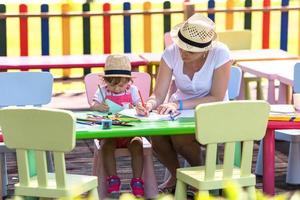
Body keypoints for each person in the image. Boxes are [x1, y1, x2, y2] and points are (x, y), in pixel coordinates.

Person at [136, 13, 232, 192]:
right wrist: (149, 104)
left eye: (189, 50)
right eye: (181, 47)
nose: (182, 53)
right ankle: (180, 175)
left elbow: (216, 97)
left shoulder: (221, 53)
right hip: (178, 111)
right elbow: (158, 94)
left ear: (206, 50)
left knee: (179, 136)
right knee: (156, 134)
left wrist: (178, 105)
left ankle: (197, 177)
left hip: (212, 111)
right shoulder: (171, 53)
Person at [91, 54, 144, 198]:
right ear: (105, 81)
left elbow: (140, 105)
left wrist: (140, 108)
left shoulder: (132, 90)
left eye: (121, 85)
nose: (116, 89)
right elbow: (93, 105)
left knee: (138, 145)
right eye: (112, 84)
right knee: (106, 147)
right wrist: (98, 107)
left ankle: (137, 180)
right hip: (110, 133)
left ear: (129, 81)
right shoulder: (102, 91)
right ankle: (112, 178)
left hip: (130, 133)